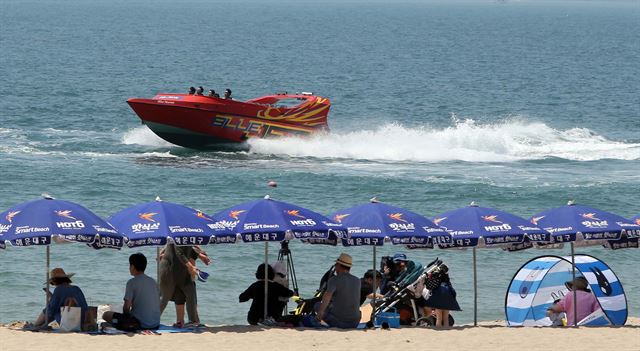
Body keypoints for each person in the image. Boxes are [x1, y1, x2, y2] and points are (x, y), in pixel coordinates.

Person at [102, 253, 160, 331]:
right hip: (155, 324)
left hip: (139, 324)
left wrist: (125, 317)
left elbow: (126, 308)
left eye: (129, 266)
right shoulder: (153, 281)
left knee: (106, 315)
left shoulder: (131, 283)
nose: (129, 268)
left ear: (132, 267)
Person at [158, 244, 207, 327]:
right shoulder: (179, 244)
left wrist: (200, 256)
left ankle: (186, 321)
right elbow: (180, 252)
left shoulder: (189, 245)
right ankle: (184, 321)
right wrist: (194, 266)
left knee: (185, 296)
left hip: (183, 273)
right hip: (177, 272)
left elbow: (185, 252)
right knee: (168, 297)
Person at [315, 253, 361, 329]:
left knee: (317, 305)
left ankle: (317, 322)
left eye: (336, 265)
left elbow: (327, 297)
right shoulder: (357, 280)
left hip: (339, 323)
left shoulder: (334, 280)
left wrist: (320, 313)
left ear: (338, 265)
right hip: (355, 323)